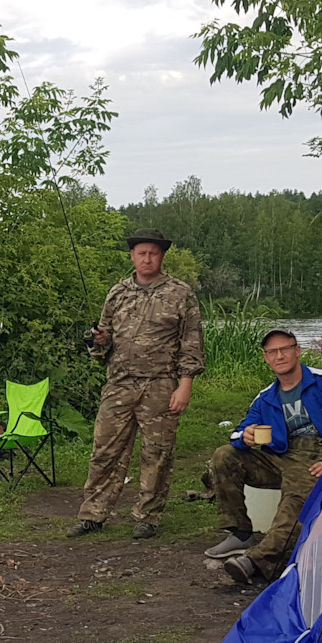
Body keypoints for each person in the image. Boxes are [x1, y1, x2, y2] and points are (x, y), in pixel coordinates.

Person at [66, 229, 204, 540]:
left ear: (161, 256)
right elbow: (102, 344)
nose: (146, 258)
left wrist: (185, 385)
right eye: (141, 253)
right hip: (119, 384)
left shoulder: (180, 293)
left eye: (153, 253)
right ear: (132, 256)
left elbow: (191, 343)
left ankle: (148, 516)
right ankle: (93, 515)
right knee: (105, 450)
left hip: (161, 385)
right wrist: (99, 341)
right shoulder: (117, 293)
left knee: (157, 452)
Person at [202, 329, 322, 583]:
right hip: (281, 454)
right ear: (266, 358)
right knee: (225, 455)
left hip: (321, 455)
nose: (279, 356)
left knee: (296, 497)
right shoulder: (266, 397)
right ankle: (241, 533)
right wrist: (245, 437)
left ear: (297, 351)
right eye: (272, 352)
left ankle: (258, 560)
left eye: (285, 349)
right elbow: (237, 434)